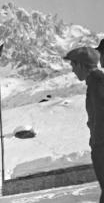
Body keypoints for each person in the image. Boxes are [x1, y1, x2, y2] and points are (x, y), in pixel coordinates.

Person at [64, 46, 104, 203]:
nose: (73, 71)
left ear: (81, 65)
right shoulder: (96, 82)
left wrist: (98, 143)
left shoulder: (98, 84)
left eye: (73, 65)